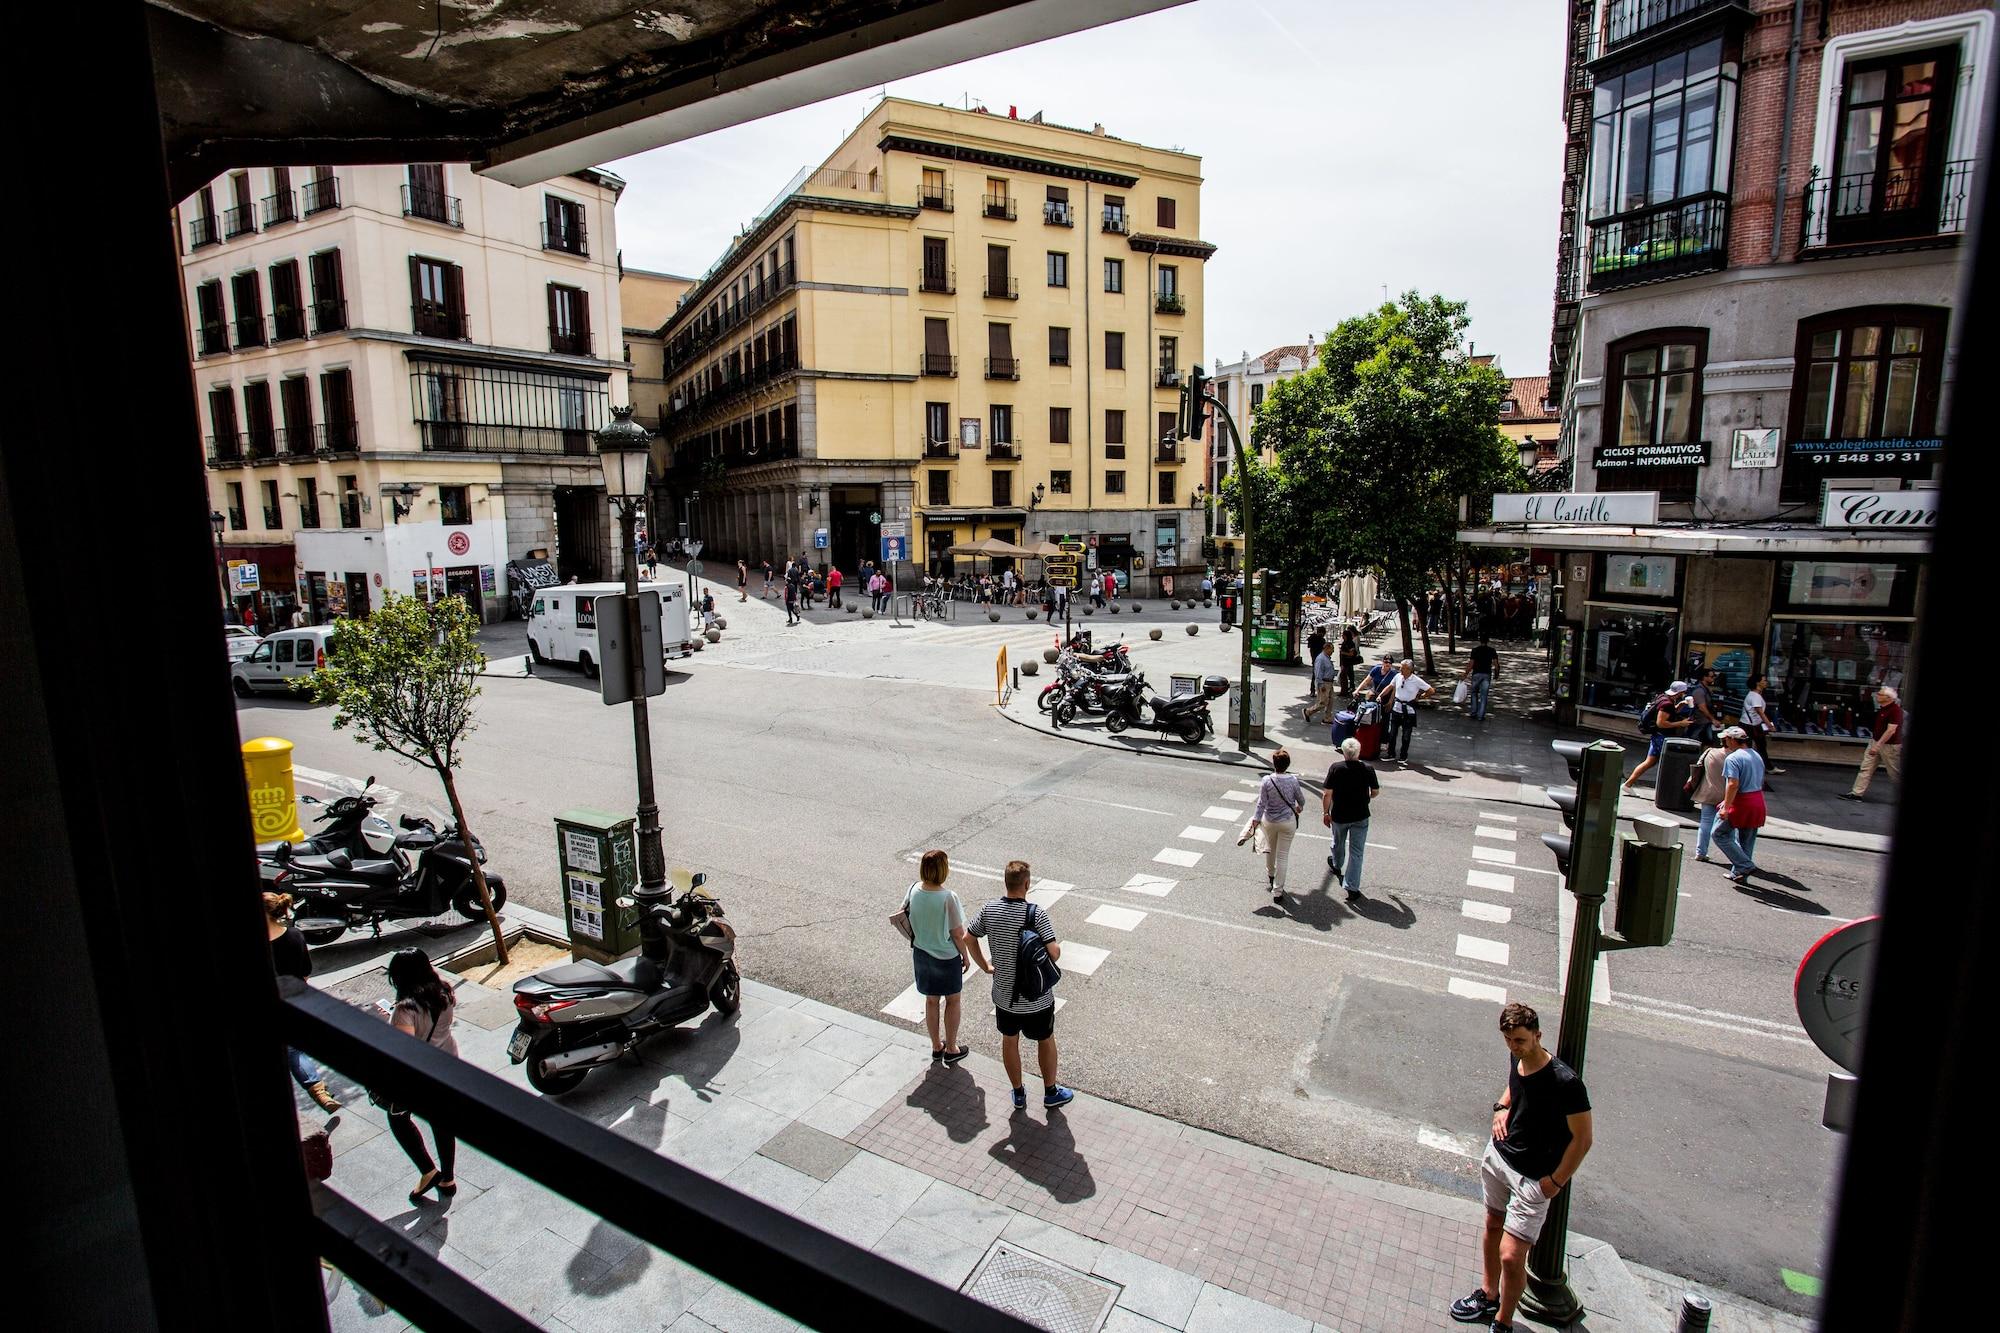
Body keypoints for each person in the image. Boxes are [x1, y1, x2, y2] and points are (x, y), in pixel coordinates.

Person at [1452, 1003, 1593, 1333]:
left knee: (1512, 1256)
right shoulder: (1517, 1057)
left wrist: (1554, 1183)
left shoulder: (1565, 1082)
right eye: (1508, 1040)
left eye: (1520, 1040)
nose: (1513, 1047)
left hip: (1534, 1179)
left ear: (1538, 1036)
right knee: (1491, 1225)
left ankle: (1503, 1321)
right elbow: (1515, 1084)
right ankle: (1489, 1294)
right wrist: (1502, 1106)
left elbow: (1583, 1139)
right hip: (1500, 1159)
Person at [962, 860, 1075, 1111]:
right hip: (1037, 997)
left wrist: (985, 965)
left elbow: (969, 938)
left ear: (1006, 882)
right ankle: (1050, 1091)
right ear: (1027, 884)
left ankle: (1019, 1093)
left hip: (1004, 996)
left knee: (1009, 1040)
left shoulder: (989, 910)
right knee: (1045, 1039)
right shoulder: (1036, 913)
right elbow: (1054, 953)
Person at [381, 948, 459, 1205]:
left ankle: (428, 1170)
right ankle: (448, 1179)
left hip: (421, 1074)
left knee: (398, 1117)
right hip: (447, 1062)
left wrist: (388, 1022)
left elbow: (404, 1048)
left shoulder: (405, 1008)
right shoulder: (444, 991)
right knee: (443, 1121)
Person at [265, 893, 342, 1113]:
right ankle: (320, 1091)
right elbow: (305, 972)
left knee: (293, 1051)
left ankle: (318, 1091)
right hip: (296, 1001)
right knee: (294, 1050)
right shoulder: (295, 936)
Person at [903, 850, 980, 1065]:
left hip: (921, 953)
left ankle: (936, 1046)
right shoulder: (948, 897)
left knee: (931, 1000)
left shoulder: (913, 889)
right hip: (945, 958)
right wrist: (965, 955)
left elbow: (904, 912)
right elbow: (957, 933)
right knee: (953, 1000)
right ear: (943, 870)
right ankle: (952, 1047)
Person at [1237, 749, 1306, 904]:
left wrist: (1255, 820)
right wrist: (1299, 807)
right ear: (1288, 764)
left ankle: (1270, 874)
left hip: (1270, 821)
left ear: (1274, 764)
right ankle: (1278, 891)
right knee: (1283, 856)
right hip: (1287, 822)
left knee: (1270, 850)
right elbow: (1301, 800)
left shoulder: (1267, 780)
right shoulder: (1293, 780)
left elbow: (1261, 803)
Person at [1323, 738, 1379, 903]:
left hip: (1340, 815)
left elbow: (1327, 794)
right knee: (1357, 853)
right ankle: (1352, 887)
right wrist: (1367, 796)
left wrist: (1325, 812)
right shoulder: (1367, 769)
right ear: (1358, 752)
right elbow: (1375, 791)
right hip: (1361, 815)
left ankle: (1336, 863)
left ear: (1343, 752)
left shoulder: (1336, 768)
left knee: (1338, 842)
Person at [1711, 726, 1767, 885]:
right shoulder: (1756, 755)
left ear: (1733, 740)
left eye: (1726, 739)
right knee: (1746, 840)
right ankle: (1739, 873)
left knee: (1718, 834)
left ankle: (1745, 865)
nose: (1724, 741)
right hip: (1757, 800)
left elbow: (1733, 784)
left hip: (1742, 802)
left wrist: (1726, 807)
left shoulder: (1733, 758)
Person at [1621, 682, 1695, 792]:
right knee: (1670, 764)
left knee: (1649, 762)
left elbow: (1669, 713)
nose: (1684, 694)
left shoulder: (1664, 698)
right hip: (1662, 737)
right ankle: (1670, 791)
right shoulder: (1666, 704)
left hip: (1657, 736)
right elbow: (1661, 722)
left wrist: (1679, 706)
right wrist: (1680, 723)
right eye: (1683, 692)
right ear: (1680, 692)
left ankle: (1627, 785)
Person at [1841, 686, 1903, 802]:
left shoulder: (1895, 710)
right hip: (1875, 741)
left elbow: (1891, 730)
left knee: (1895, 773)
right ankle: (1856, 794)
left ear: (1888, 698)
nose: (1877, 695)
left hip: (1889, 746)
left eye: (1880, 694)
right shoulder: (1882, 708)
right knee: (1866, 768)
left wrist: (1878, 745)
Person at [1376, 660, 1435, 764]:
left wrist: (1421, 697)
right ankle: (1391, 753)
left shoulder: (1416, 680)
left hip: (1409, 711)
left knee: (1406, 735)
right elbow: (1390, 687)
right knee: (1392, 733)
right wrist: (1380, 695)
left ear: (1409, 669)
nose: (1400, 670)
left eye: (1402, 668)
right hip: (1396, 709)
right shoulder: (1398, 677)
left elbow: (1431, 690)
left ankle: (1403, 756)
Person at [1689, 739, 1729, 864]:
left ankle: (1700, 852)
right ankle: (1735, 855)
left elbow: (1698, 767)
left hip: (1708, 792)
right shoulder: (1735, 757)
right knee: (1731, 828)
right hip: (1726, 796)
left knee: (1705, 822)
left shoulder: (1710, 752)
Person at [1740, 672, 1779, 775]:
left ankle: (1766, 767)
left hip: (1751, 725)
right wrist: (1770, 726)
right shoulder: (1755, 696)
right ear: (1758, 683)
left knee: (1759, 746)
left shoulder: (1754, 695)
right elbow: (1760, 712)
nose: (1766, 682)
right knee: (1755, 746)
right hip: (1750, 725)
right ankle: (1767, 768)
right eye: (1764, 680)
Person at [1462, 634, 1499, 723]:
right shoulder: (1492, 651)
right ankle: (1481, 715)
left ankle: (1473, 712)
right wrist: (1497, 673)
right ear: (1488, 641)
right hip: (1486, 674)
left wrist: (1465, 673)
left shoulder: (1475, 650)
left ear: (1480, 640)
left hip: (1476, 674)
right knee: (1484, 695)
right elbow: (1496, 664)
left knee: (1474, 693)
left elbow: (1471, 664)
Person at [1303, 640, 1338, 723]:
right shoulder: (1321, 659)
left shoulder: (1326, 658)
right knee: (1323, 702)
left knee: (1330, 701)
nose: (1333, 651)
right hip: (1324, 682)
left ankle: (1327, 718)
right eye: (1332, 649)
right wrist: (1321, 684)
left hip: (1329, 682)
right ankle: (1308, 711)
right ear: (1326, 648)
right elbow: (1318, 673)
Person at [1686, 667, 1721, 745]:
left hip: (1705, 722)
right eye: (1711, 677)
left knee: (1707, 741)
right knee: (1694, 742)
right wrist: (1713, 720)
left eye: (1714, 676)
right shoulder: (1699, 690)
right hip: (1699, 722)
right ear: (1705, 677)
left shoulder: (1706, 689)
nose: (1713, 678)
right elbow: (1702, 707)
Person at [1338, 627, 1362, 695]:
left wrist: (1343, 652)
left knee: (1344, 677)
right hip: (1344, 662)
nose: (1342, 636)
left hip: (1347, 662)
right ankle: (1347, 689)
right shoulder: (1345, 642)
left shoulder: (1350, 643)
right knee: (1346, 676)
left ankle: (1344, 691)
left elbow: (1351, 653)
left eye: (1343, 635)